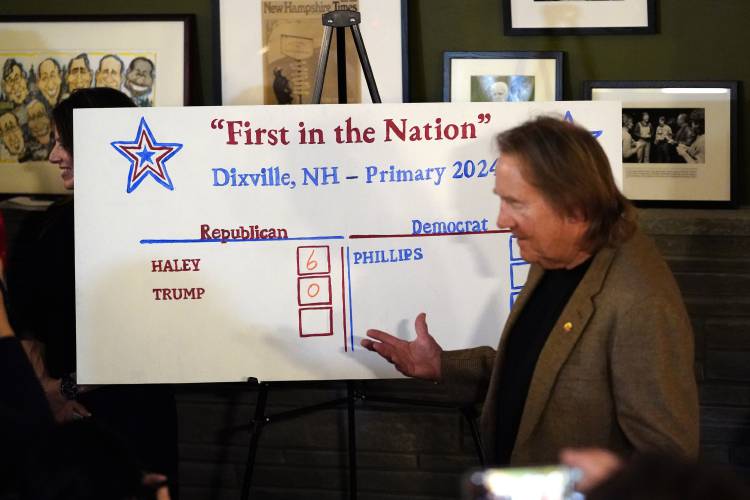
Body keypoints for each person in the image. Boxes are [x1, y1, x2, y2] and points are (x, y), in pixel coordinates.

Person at [361, 116, 699, 466]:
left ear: (575, 207)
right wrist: (441, 365)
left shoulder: (641, 305)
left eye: (516, 203)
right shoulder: (552, 255)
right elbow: (541, 368)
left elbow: (670, 463)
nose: (501, 220)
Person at [5, 87, 179, 493]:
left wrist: (61, 389)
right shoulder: (42, 226)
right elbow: (24, 323)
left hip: (134, 419)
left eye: (64, 142)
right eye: (54, 143)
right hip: (55, 427)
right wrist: (45, 395)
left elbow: (156, 335)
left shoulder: (161, 227)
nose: (53, 156)